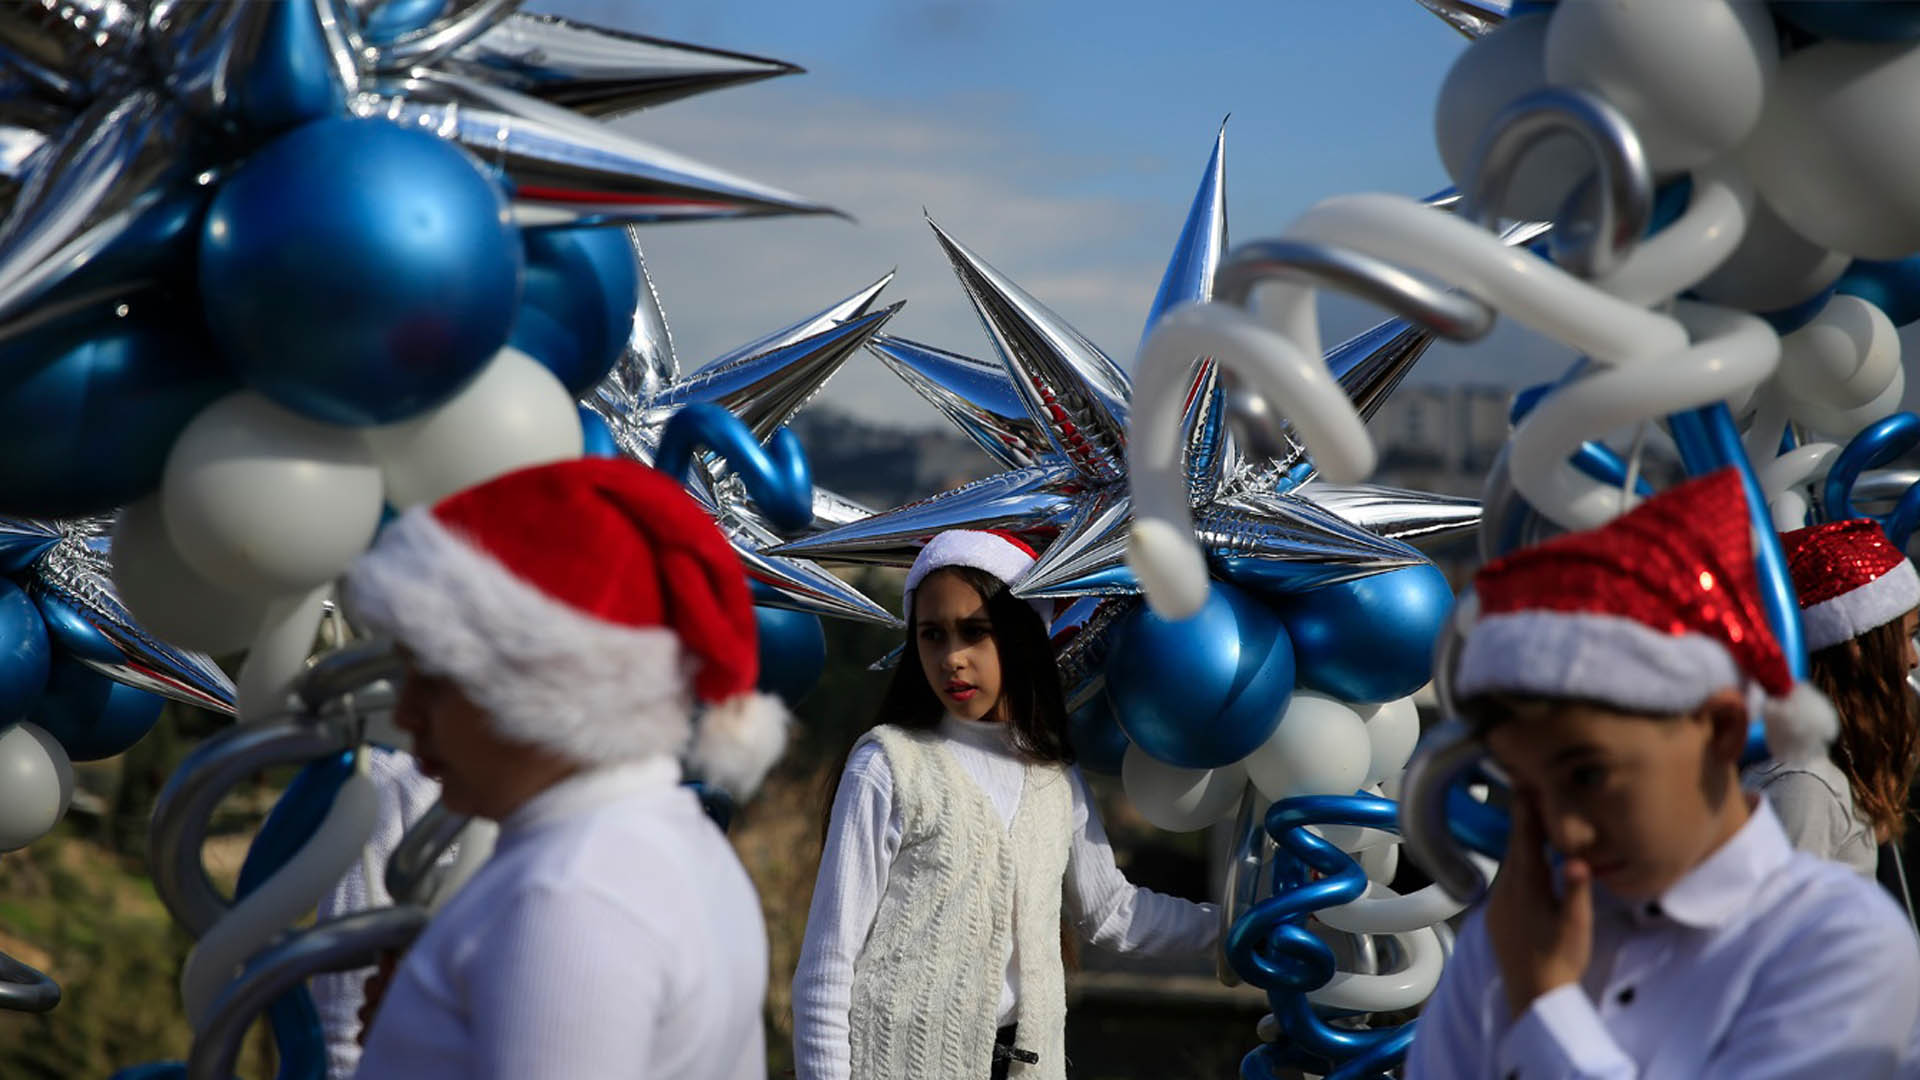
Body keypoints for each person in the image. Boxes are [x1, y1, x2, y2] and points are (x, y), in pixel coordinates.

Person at [1406, 470, 1920, 1078]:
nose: (1564, 833)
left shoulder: (1840, 944)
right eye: (1527, 793)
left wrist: (1545, 1003)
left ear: (1721, 728)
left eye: (1589, 776)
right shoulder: (1514, 938)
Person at [344, 456, 790, 1080]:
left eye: (436, 677)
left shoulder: (569, 894)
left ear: (542, 686)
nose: (409, 712)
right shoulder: (664, 843)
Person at [791, 529, 1219, 1080]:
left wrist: (1231, 931)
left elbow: (1112, 914)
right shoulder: (889, 766)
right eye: (932, 636)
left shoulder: (1052, 776)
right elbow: (826, 970)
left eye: (976, 632)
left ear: (1022, 636)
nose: (952, 659)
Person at [1748, 519, 1920, 875]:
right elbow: (1785, 925)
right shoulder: (1802, 783)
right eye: (1907, 636)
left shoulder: (1824, 769)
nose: (1914, 656)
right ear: (1856, 647)